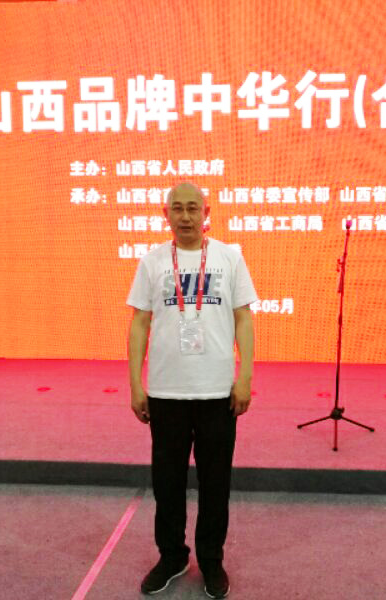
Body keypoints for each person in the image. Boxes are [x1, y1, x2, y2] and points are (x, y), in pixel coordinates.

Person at [126, 182, 257, 598]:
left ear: (206, 212)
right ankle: (172, 557)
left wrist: (245, 376)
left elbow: (244, 318)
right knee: (167, 484)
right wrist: (135, 383)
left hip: (218, 391)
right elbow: (140, 323)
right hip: (167, 392)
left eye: (192, 208)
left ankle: (212, 561)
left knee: (216, 484)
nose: (185, 216)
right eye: (177, 209)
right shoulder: (152, 261)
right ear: (165, 214)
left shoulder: (229, 257)